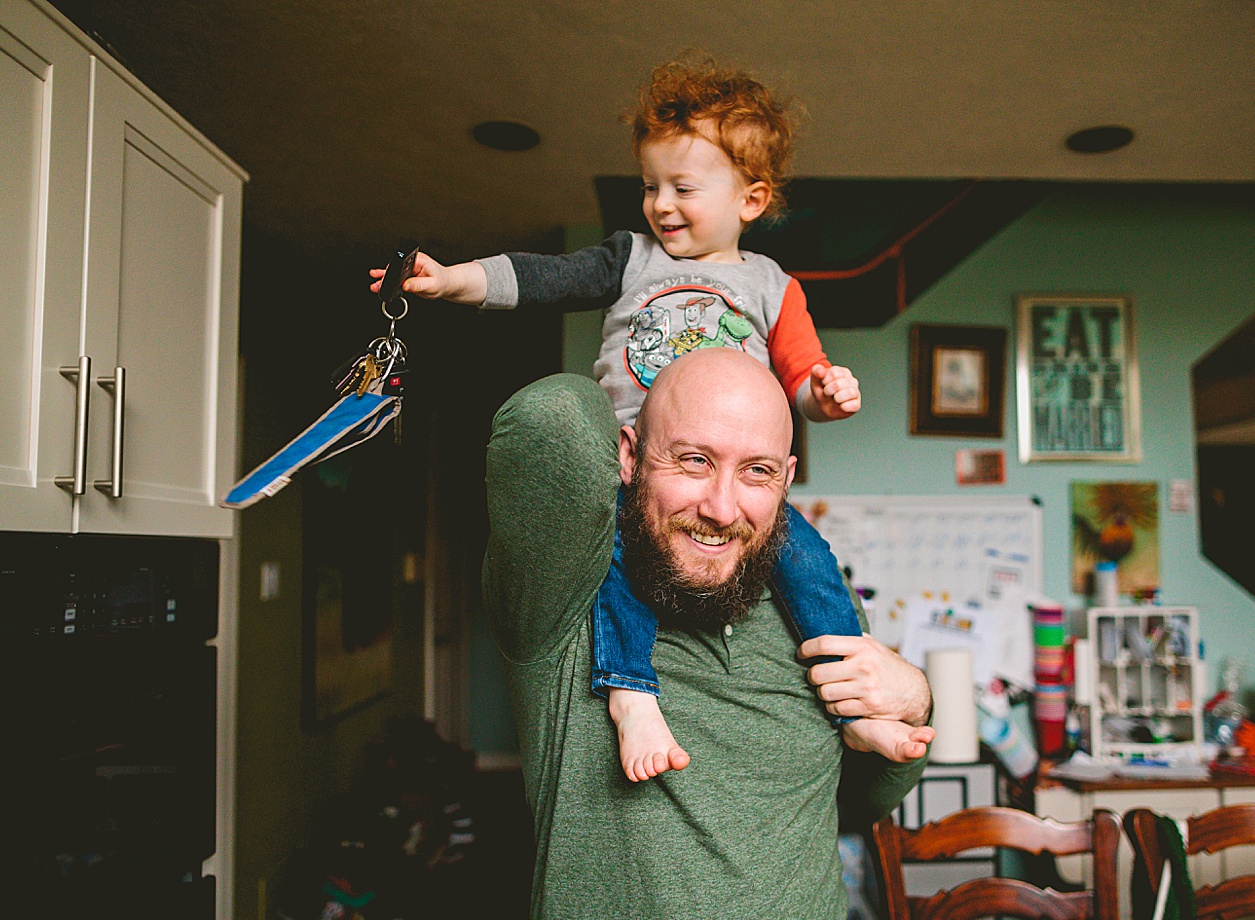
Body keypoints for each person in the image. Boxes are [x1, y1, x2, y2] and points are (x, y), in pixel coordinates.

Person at [371, 58, 932, 781]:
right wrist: (453, 279)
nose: (661, 206)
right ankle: (631, 693)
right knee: (616, 563)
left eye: (683, 188)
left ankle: (856, 710)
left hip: (720, 454)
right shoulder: (630, 260)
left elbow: (799, 374)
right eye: (650, 186)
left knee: (813, 565)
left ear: (751, 198)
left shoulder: (770, 285)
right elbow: (546, 277)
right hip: (638, 468)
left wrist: (822, 397)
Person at [484, 348, 933, 920]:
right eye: (694, 460)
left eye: (757, 472)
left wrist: (915, 701)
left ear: (788, 479)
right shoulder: (563, 598)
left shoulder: (820, 612)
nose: (722, 509)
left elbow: (857, 802)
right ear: (628, 454)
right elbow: (551, 419)